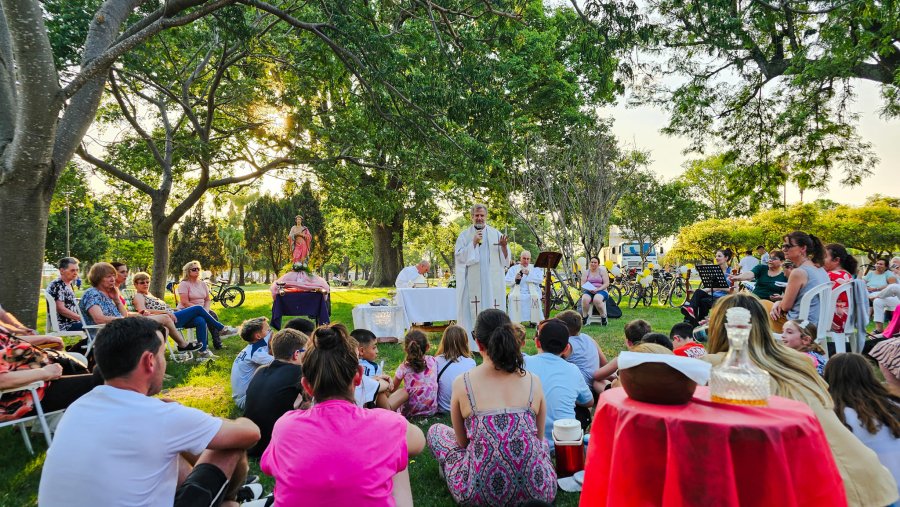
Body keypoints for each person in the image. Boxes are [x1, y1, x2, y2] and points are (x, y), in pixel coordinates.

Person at [38, 317, 262, 507]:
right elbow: (250, 433)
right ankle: (231, 500)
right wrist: (202, 419)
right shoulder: (161, 416)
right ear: (149, 361)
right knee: (229, 448)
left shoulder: (78, 407)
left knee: (171, 449)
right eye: (163, 354)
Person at [702, 293, 899, 507]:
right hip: (872, 482)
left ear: (717, 328)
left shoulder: (716, 369)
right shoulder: (799, 362)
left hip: (831, 492)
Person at [261, 323, 424, 506]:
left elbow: (269, 468)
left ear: (306, 385)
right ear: (358, 376)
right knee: (398, 452)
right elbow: (419, 442)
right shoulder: (388, 424)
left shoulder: (284, 426)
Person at [427, 309, 557, 505]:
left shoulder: (463, 383)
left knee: (436, 431)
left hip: (479, 495)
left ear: (478, 343)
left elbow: (462, 444)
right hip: (539, 491)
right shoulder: (533, 381)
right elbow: (539, 440)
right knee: (543, 444)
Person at [824, 353, 900, 495]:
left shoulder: (837, 417)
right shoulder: (893, 404)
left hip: (877, 494)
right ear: (869, 374)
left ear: (829, 379)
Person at [80, 262, 199, 352]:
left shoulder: (109, 293)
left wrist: (117, 300)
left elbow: (124, 314)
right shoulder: (93, 294)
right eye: (108, 277)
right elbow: (98, 319)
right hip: (108, 332)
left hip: (120, 327)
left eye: (113, 275)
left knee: (164, 328)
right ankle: (182, 345)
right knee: (165, 319)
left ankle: (155, 365)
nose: (113, 279)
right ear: (98, 278)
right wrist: (126, 320)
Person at [0, 328, 99, 422]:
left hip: (37, 381)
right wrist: (45, 373)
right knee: (100, 381)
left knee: (79, 365)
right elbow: (2, 381)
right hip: (26, 394)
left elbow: (11, 341)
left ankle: (58, 427)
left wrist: (46, 339)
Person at [131, 271, 237, 358]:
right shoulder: (139, 296)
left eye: (147, 281)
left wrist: (172, 309)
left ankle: (203, 352)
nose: (145, 284)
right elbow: (143, 311)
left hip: (173, 315)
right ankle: (222, 329)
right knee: (198, 308)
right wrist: (166, 312)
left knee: (200, 320)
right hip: (166, 320)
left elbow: (161, 308)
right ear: (135, 284)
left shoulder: (149, 295)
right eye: (142, 282)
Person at [525, 319, 594, 441]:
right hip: (563, 440)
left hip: (530, 439)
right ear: (566, 348)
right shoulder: (573, 370)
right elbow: (589, 401)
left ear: (537, 342)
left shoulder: (523, 364)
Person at [243, 328, 307, 458]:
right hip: (275, 444)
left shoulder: (260, 370)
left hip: (250, 442)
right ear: (296, 354)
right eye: (306, 351)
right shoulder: (299, 373)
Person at [455, 203, 510, 349]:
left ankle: (495, 343)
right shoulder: (464, 235)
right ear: (472, 217)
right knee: (471, 311)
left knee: (493, 309)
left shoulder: (496, 234)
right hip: (472, 283)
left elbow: (506, 261)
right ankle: (472, 346)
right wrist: (473, 243)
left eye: (482, 215)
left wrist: (504, 247)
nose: (479, 218)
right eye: (476, 215)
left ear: (486, 216)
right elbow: (459, 258)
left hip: (492, 284)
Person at [769, 231, 830, 331]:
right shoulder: (820, 269)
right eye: (783, 246)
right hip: (817, 324)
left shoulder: (798, 272)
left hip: (799, 325)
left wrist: (777, 303)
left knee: (760, 308)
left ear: (803, 248)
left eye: (788, 246)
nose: (784, 249)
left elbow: (785, 307)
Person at [592, 319, 652, 392]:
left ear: (629, 342)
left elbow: (596, 376)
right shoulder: (655, 356)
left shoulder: (622, 358)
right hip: (649, 392)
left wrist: (611, 376)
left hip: (626, 395)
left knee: (596, 383)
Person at [388, 330, 438, 417]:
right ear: (428, 347)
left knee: (402, 391)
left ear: (406, 349)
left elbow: (392, 388)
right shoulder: (433, 361)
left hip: (409, 412)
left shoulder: (404, 367)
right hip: (431, 411)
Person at [177, 260, 224, 350]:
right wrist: (200, 310)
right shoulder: (184, 284)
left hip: (201, 309)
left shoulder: (202, 284)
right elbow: (185, 302)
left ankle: (217, 343)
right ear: (188, 271)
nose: (197, 271)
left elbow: (207, 299)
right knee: (203, 318)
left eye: (198, 269)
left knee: (212, 315)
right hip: (187, 311)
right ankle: (206, 344)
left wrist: (205, 310)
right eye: (194, 269)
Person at [556, 310, 607, 392]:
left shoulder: (566, 343)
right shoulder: (588, 338)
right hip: (595, 385)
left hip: (579, 389)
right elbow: (604, 363)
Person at [681, 248, 734, 326]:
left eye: (719, 256)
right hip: (712, 296)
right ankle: (692, 314)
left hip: (724, 298)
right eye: (716, 256)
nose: (716, 258)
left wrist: (719, 288)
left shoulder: (732, 271)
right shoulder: (714, 271)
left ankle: (691, 320)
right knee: (699, 293)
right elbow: (710, 288)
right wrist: (697, 291)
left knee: (703, 301)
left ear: (726, 258)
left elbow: (735, 291)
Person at [231, 317, 273, 410]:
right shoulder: (257, 353)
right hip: (246, 400)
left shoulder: (252, 348)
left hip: (245, 396)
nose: (271, 332)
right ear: (258, 336)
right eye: (268, 330)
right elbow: (283, 363)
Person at [435, 325, 477, 413]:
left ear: (444, 341)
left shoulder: (436, 361)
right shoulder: (471, 362)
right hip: (463, 408)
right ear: (465, 342)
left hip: (441, 407)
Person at [823, 243, 858, 333]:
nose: (821, 260)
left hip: (833, 320)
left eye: (824, 257)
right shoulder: (847, 274)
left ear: (836, 260)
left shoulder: (830, 276)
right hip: (848, 319)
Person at [505, 250, 544, 325]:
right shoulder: (513, 269)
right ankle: (515, 321)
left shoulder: (535, 268)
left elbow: (540, 280)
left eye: (528, 259)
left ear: (530, 259)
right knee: (514, 298)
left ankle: (533, 321)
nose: (526, 261)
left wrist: (529, 274)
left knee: (534, 297)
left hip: (532, 293)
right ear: (520, 258)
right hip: (517, 292)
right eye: (524, 258)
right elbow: (507, 281)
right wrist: (515, 279)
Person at [46, 256, 83, 331]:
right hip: (65, 325)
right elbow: (61, 309)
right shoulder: (58, 285)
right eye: (72, 270)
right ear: (62, 271)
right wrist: (82, 318)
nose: (75, 273)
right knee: (97, 327)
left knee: (98, 325)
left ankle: (86, 343)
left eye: (77, 270)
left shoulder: (67, 284)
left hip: (72, 322)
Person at [869, 258, 900, 334]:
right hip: (897, 298)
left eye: (896, 263)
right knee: (878, 301)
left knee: (893, 286)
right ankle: (879, 329)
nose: (894, 265)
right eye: (893, 263)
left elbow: (893, 287)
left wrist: (898, 272)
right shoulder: (889, 274)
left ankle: (877, 296)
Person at [579, 256, 610, 326]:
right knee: (584, 299)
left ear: (598, 264)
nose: (593, 264)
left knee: (597, 299)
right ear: (590, 263)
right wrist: (589, 289)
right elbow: (583, 283)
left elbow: (606, 283)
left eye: (595, 262)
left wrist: (598, 289)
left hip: (601, 290)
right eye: (592, 262)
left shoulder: (602, 272)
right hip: (589, 290)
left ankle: (603, 317)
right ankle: (585, 317)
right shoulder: (586, 272)